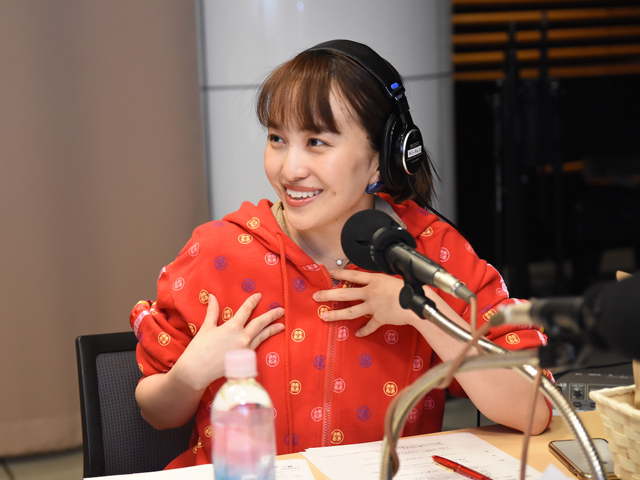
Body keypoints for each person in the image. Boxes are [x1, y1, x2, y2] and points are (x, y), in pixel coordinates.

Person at [130, 39, 552, 469]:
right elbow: (156, 413)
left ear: (382, 159)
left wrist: (424, 312)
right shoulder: (219, 252)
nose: (289, 169)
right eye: (277, 139)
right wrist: (190, 375)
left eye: (316, 141)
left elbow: (533, 410)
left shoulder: (430, 253)